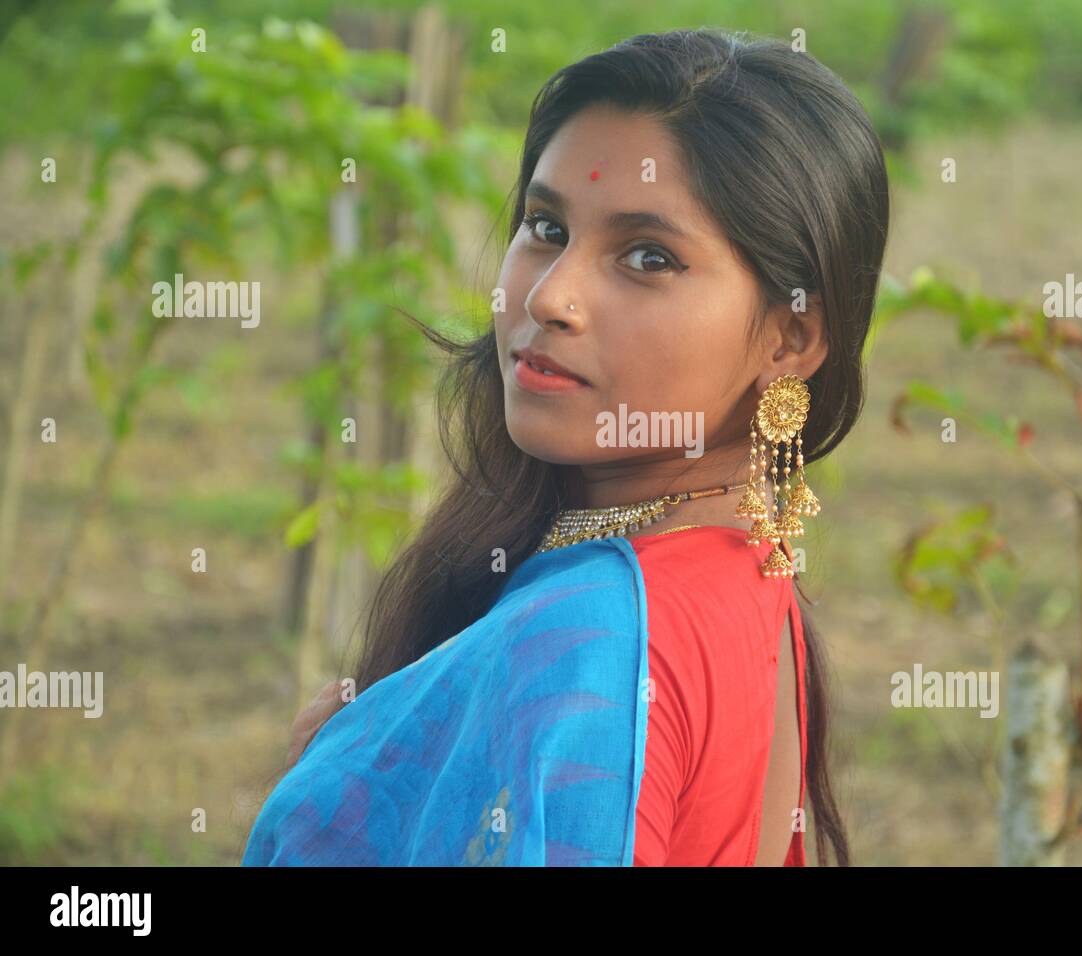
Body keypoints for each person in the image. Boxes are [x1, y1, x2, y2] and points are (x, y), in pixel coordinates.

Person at [241, 26, 889, 867]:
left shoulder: (597, 633)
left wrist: (337, 812)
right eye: (546, 227)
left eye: (647, 256)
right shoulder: (741, 570)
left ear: (789, 340)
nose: (552, 297)